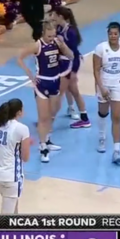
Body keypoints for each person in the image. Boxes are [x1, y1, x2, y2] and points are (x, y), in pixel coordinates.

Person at [18, 21, 73, 163]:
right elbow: (20, 58)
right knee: (43, 117)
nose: (51, 38)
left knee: (51, 114)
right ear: (43, 34)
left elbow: (71, 56)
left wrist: (63, 45)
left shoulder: (57, 43)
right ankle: (43, 147)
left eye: (53, 35)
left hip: (55, 82)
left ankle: (47, 140)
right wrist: (30, 75)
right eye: (49, 36)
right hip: (42, 84)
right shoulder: (37, 45)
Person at [93, 22, 120, 165]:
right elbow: (96, 70)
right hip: (104, 84)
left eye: (115, 34)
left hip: (118, 84)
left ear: (119, 34)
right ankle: (102, 138)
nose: (113, 36)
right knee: (103, 113)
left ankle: (117, 150)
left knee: (117, 117)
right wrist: (101, 87)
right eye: (110, 33)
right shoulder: (100, 48)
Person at [52, 6, 90, 129]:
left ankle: (48, 121)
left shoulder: (71, 32)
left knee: (60, 93)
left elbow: (74, 54)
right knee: (74, 91)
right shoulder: (59, 28)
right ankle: (84, 118)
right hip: (63, 64)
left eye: (55, 15)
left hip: (70, 64)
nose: (53, 17)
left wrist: (73, 71)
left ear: (60, 16)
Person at [0, 98, 31, 214]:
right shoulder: (22, 129)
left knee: (14, 208)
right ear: (19, 112)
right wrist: (26, 144)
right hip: (11, 177)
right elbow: (25, 158)